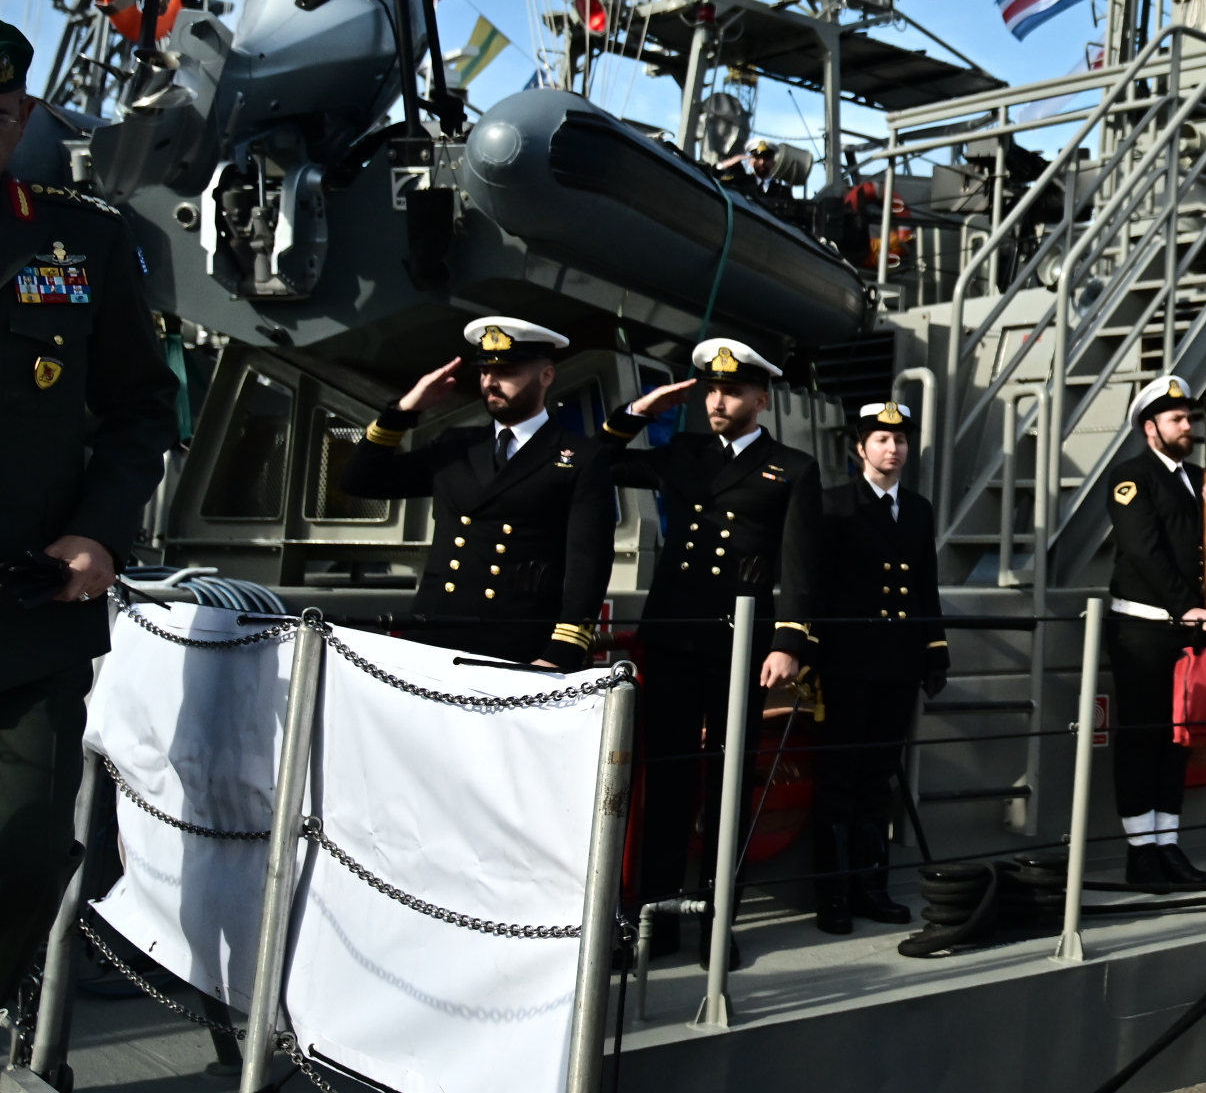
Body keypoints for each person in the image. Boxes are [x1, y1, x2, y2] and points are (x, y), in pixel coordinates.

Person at [0, 21, 178, 993]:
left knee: (27, 844)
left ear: (22, 115)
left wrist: (99, 532)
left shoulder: (82, 240)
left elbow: (142, 406)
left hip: (27, 614)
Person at [595, 337, 822, 954]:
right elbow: (598, 464)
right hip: (673, 639)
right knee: (665, 781)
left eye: (733, 391)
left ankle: (719, 928)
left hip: (739, 646)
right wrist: (636, 412)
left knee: (729, 785)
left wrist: (789, 641)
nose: (718, 401)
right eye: (712, 391)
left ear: (761, 400)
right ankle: (653, 921)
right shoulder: (683, 454)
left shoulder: (792, 468)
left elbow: (801, 566)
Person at [340, 316, 616, 670]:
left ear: (546, 375)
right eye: (485, 371)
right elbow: (360, 481)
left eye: (506, 371)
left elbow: (588, 563)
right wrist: (404, 411)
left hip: (519, 644)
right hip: (434, 637)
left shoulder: (580, 456)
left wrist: (563, 650)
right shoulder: (456, 446)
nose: (490, 382)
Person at [766, 401, 947, 934]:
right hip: (847, 664)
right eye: (882, 439)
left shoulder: (918, 510)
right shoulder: (833, 505)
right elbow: (813, 584)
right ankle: (834, 894)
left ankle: (872, 887)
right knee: (839, 779)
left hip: (898, 662)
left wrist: (934, 649)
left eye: (901, 439)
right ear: (859, 447)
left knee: (877, 779)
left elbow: (925, 584)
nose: (893, 448)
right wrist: (808, 652)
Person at [1104, 373, 1206, 889]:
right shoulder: (1131, 477)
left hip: (1188, 632)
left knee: (1177, 741)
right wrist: (1187, 607)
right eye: (1176, 419)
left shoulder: (1196, 479)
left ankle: (1167, 844)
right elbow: (1144, 549)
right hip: (1142, 632)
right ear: (1151, 427)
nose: (1187, 426)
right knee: (1142, 738)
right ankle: (1140, 851)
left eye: (1189, 418)